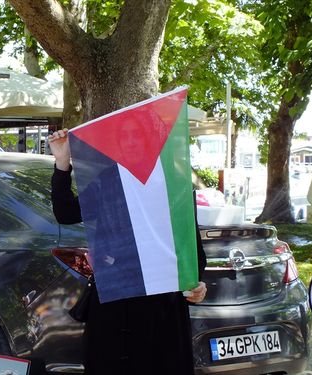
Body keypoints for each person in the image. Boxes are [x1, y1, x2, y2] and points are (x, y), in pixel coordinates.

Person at [48, 128, 207, 375]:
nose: (132, 144)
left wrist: (198, 285)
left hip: (162, 314)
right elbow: (66, 213)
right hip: (115, 308)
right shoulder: (110, 181)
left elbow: (193, 252)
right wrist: (62, 162)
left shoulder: (176, 185)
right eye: (126, 138)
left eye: (139, 138)